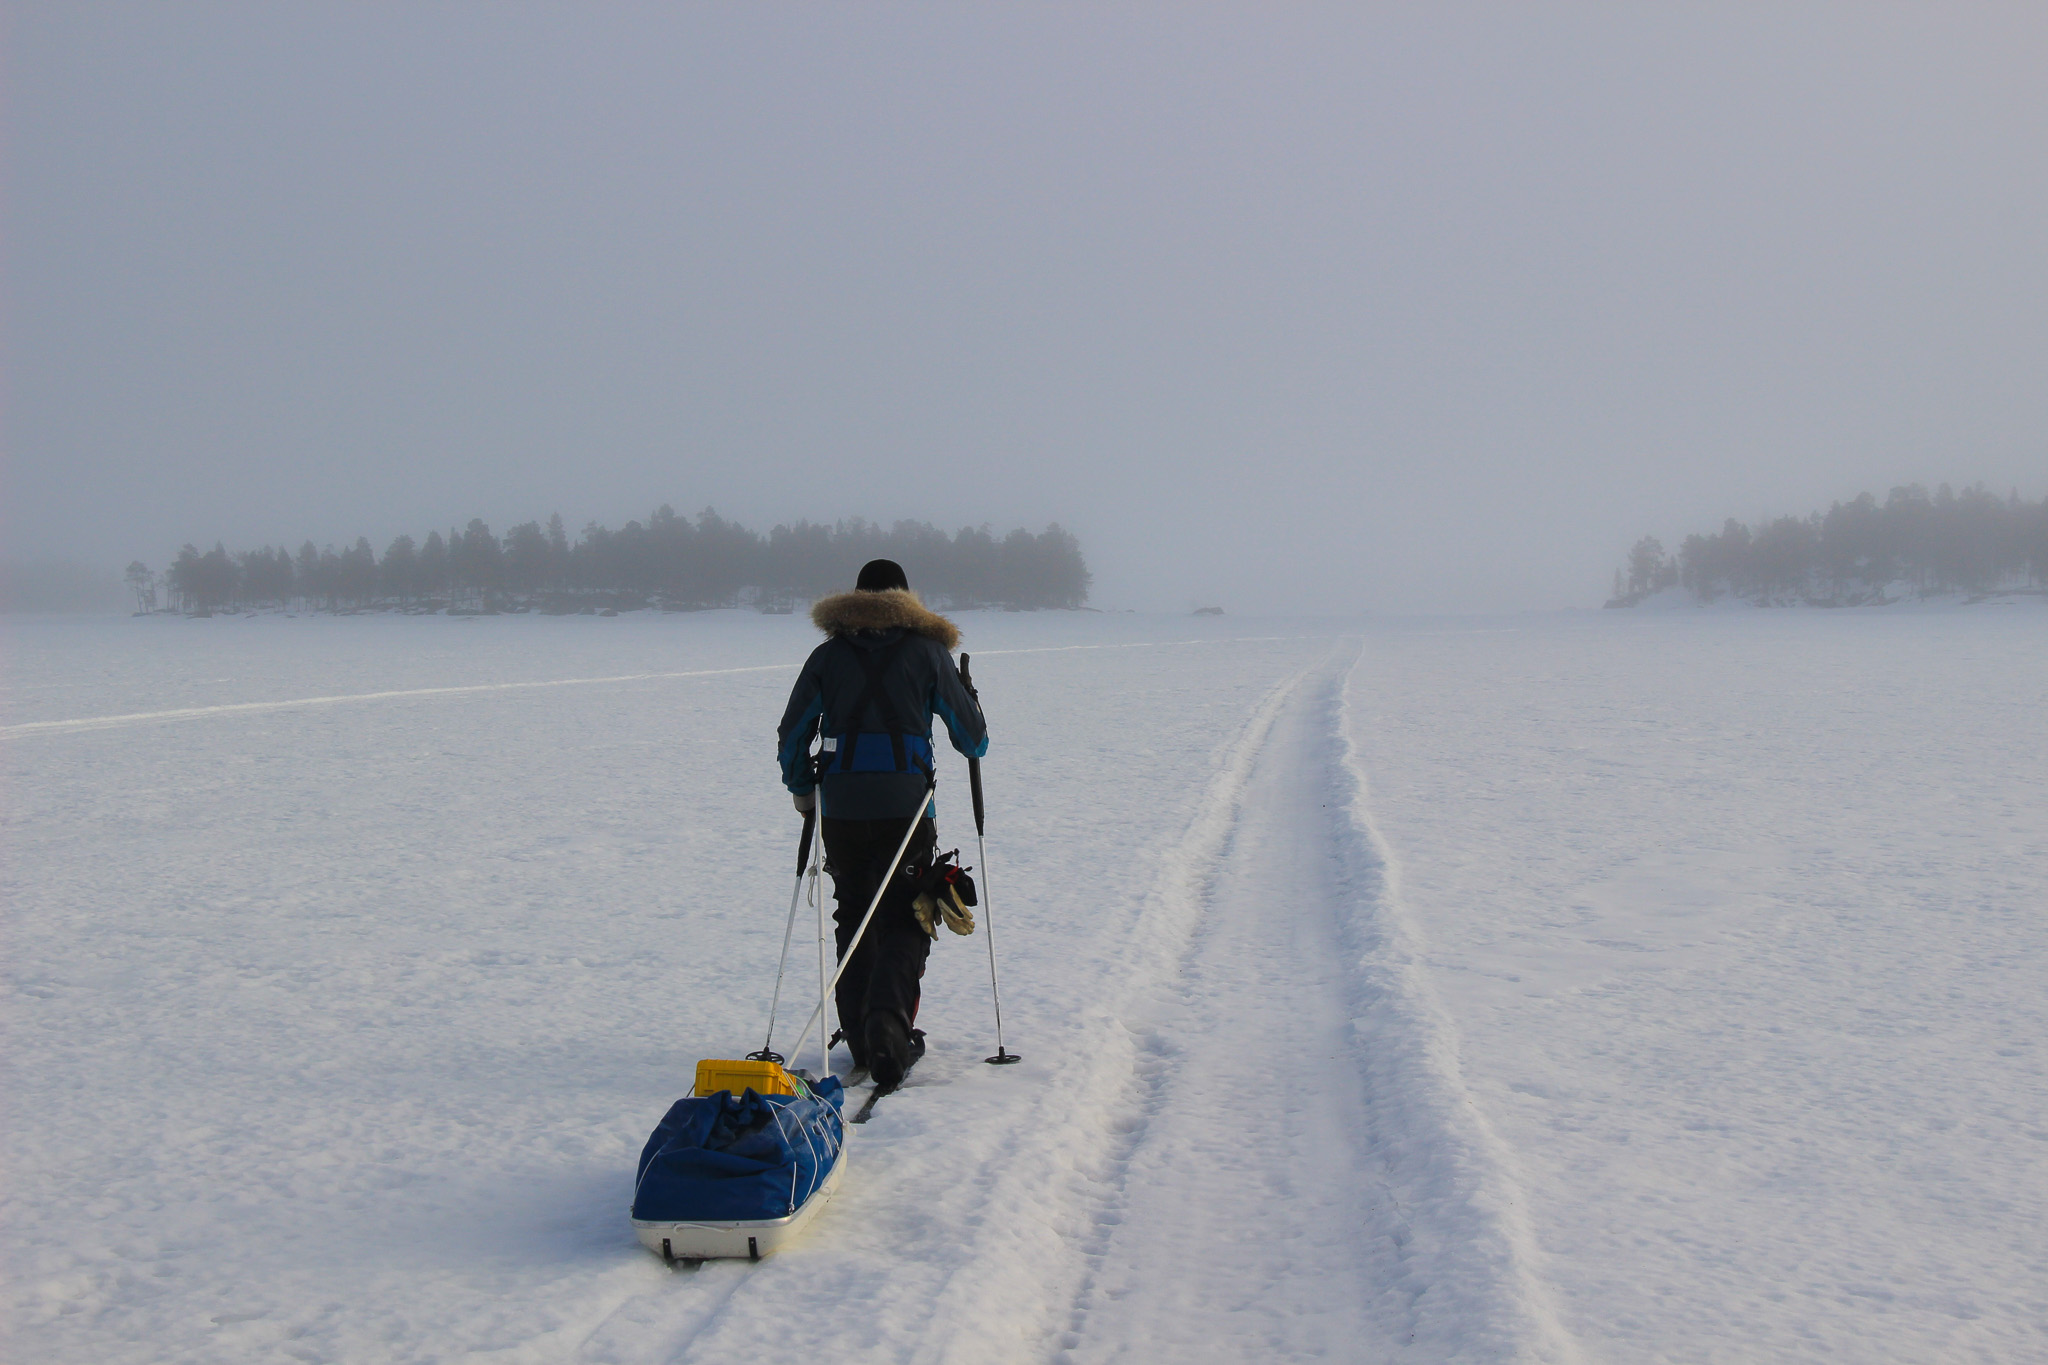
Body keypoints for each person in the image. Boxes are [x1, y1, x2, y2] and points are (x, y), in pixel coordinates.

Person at [776, 559, 988, 1088]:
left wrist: (804, 791)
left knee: (854, 914)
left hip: (842, 809)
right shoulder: (929, 655)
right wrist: (972, 703)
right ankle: (888, 1030)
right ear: (905, 598)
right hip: (907, 809)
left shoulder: (827, 657)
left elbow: (790, 732)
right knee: (907, 915)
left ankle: (861, 1033)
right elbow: (973, 740)